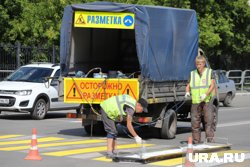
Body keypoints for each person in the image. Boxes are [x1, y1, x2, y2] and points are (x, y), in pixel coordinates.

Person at [185, 54, 215, 144]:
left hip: (206, 100)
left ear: (204, 64)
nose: (198, 66)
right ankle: (196, 141)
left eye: (200, 64)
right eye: (197, 64)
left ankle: (210, 141)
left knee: (208, 121)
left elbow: (212, 85)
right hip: (195, 101)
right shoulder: (192, 73)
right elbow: (188, 85)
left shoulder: (209, 72)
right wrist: (187, 92)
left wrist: (206, 94)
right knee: (195, 122)